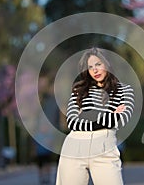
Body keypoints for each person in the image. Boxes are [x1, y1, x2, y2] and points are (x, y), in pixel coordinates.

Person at [56, 47, 135, 185]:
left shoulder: (124, 90)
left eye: (98, 64)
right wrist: (109, 116)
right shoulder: (79, 90)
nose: (95, 70)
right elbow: (72, 122)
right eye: (90, 67)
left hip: (105, 147)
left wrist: (86, 116)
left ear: (108, 64)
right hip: (74, 146)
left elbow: (122, 120)